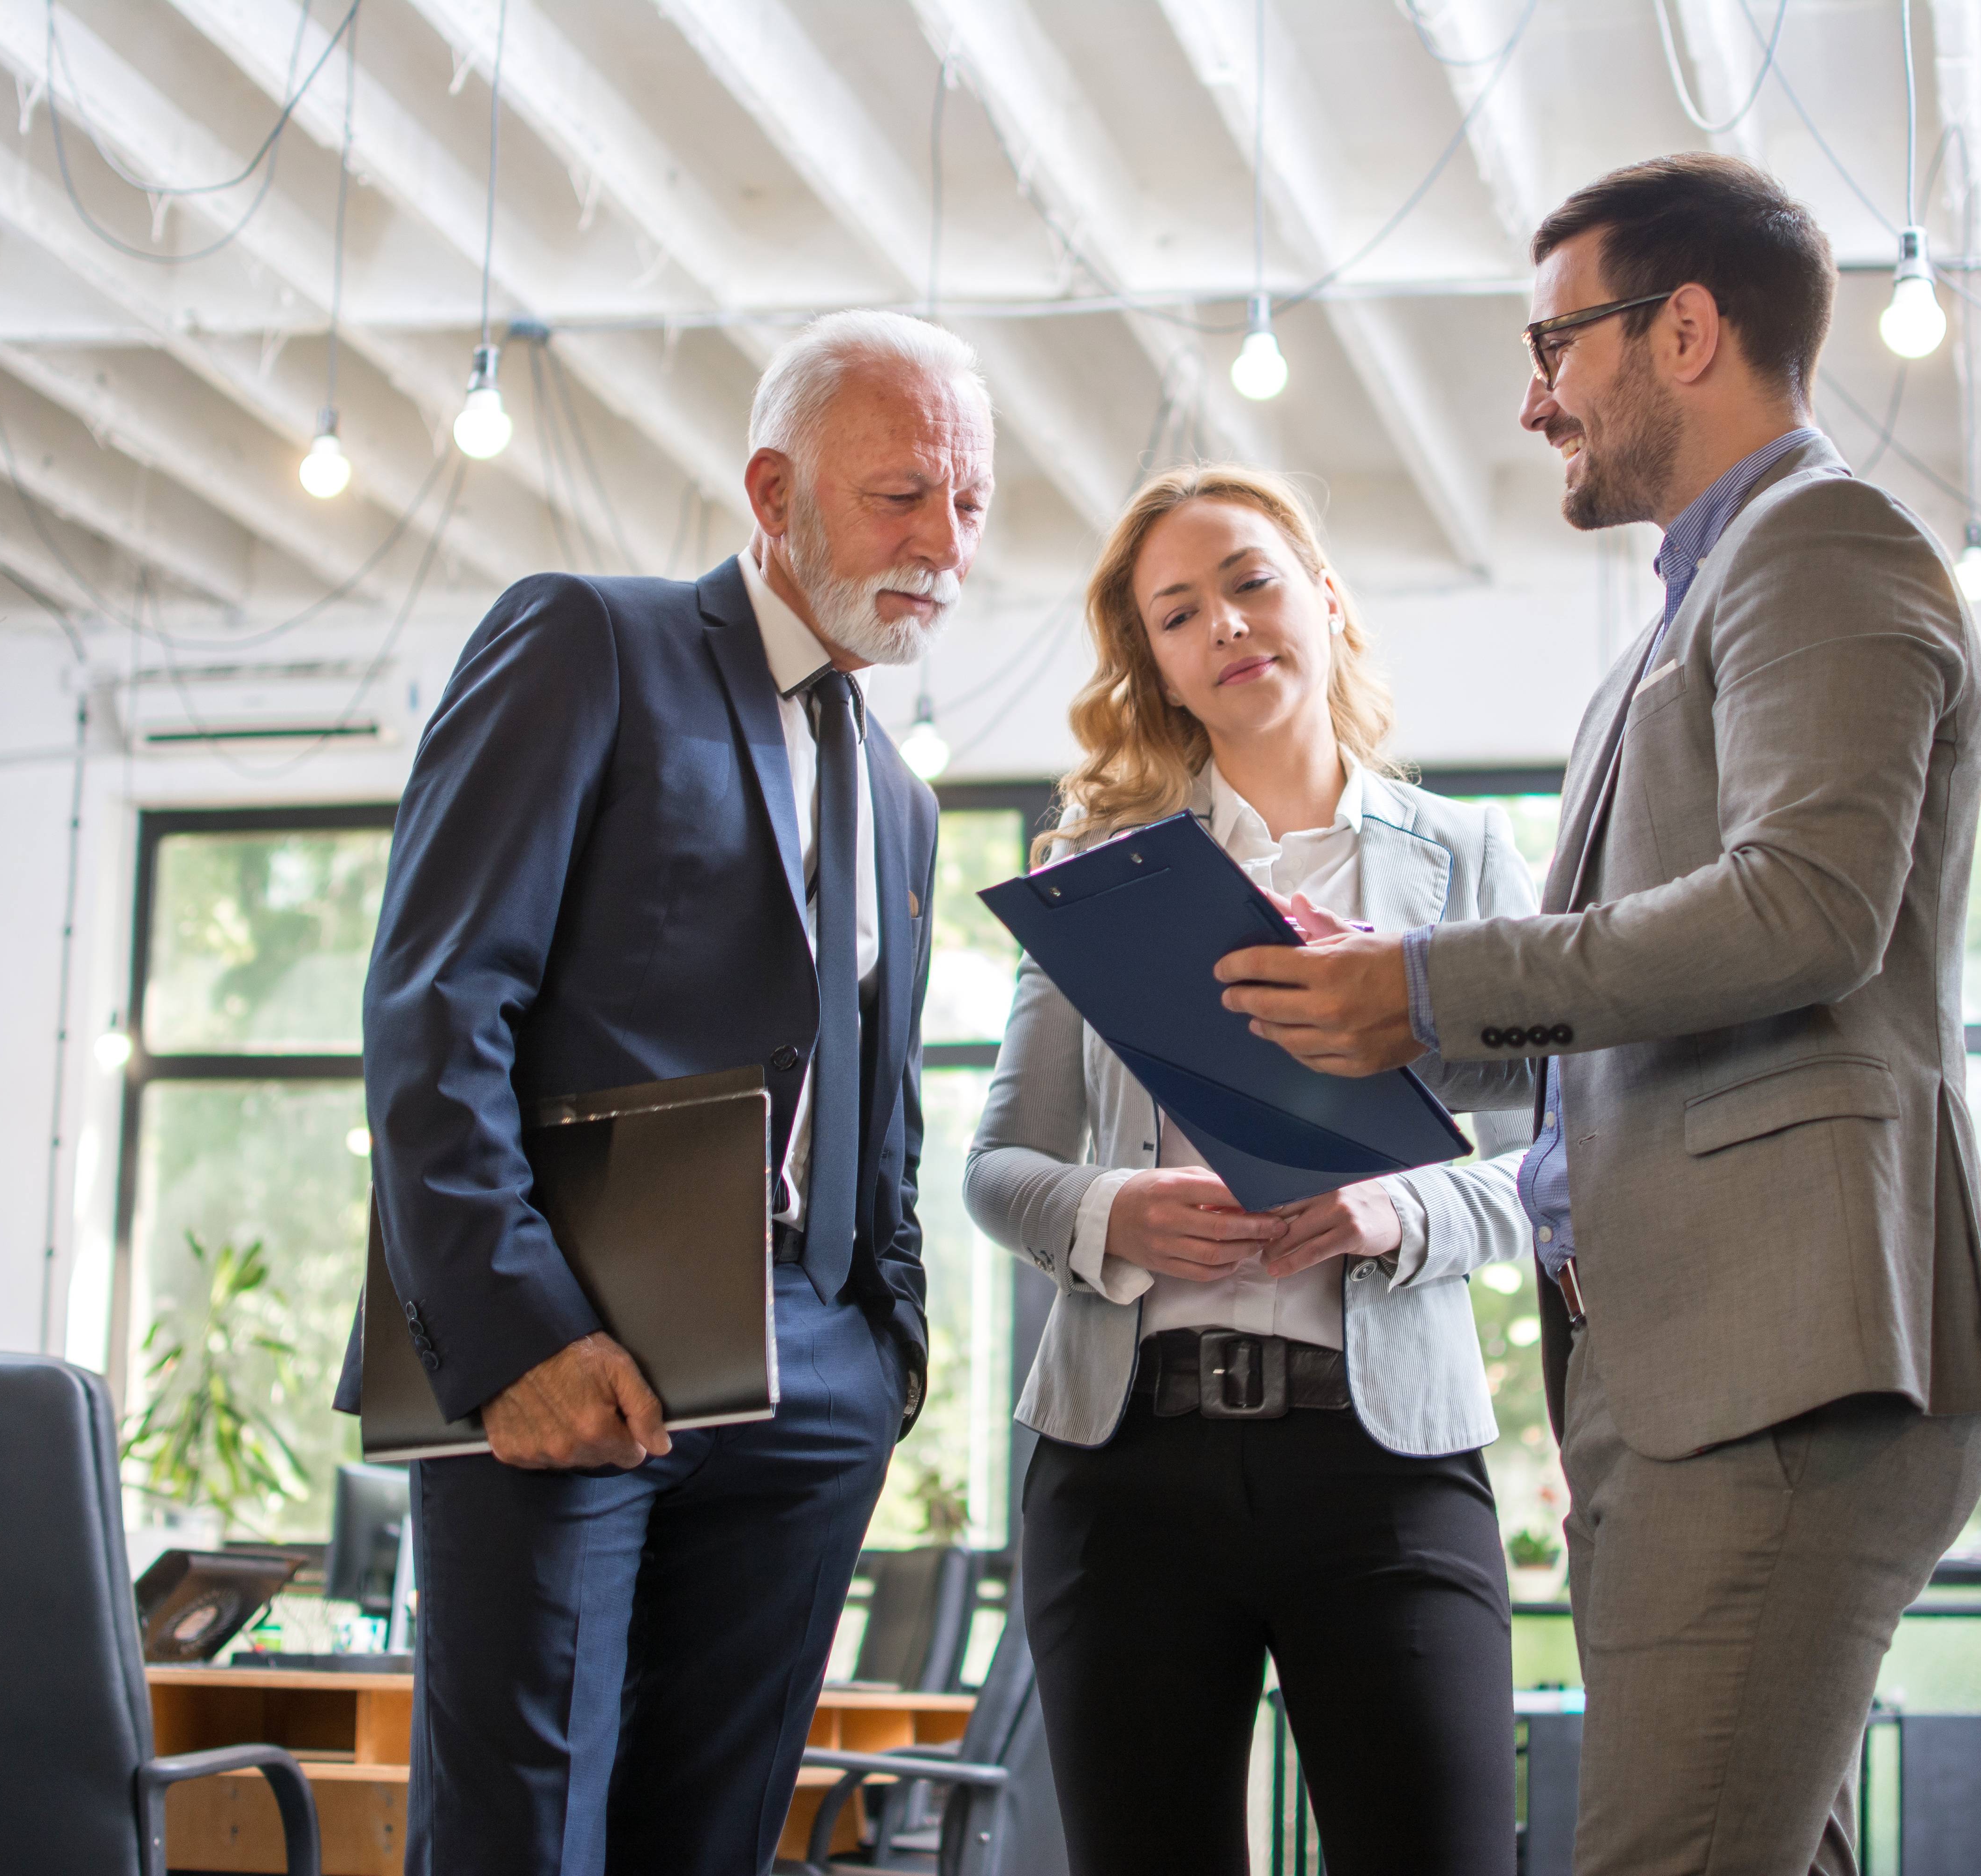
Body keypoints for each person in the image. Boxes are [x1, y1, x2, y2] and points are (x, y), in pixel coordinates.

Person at [1214, 155, 1981, 1876]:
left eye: (1556, 342)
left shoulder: (1822, 546)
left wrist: (1424, 981)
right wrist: (1366, 1008)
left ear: (1689, 330)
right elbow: (1621, 996)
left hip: (1772, 1369)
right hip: (1686, 1366)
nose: (1533, 395)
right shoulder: (1681, 623)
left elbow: (1804, 911)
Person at [335, 309, 989, 1876]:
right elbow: (437, 1005)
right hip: (570, 1355)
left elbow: (877, 1104)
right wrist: (516, 1338)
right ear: (773, 493)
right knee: (523, 1837)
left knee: (707, 1844)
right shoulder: (585, 641)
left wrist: (883, 1352)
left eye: (970, 504)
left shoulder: (897, 797)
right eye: (902, 494)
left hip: (811, 1380)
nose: (945, 545)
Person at [964, 465, 1538, 1876]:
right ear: (1154, 664)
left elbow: (1553, 1156)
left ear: (1324, 599)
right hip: (1126, 1464)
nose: (1224, 624)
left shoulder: (1463, 859)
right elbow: (995, 1168)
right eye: (1178, 613)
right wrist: (1114, 1211)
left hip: (1387, 1460)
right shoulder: (1103, 872)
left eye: (1250, 581)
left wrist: (1389, 1207)